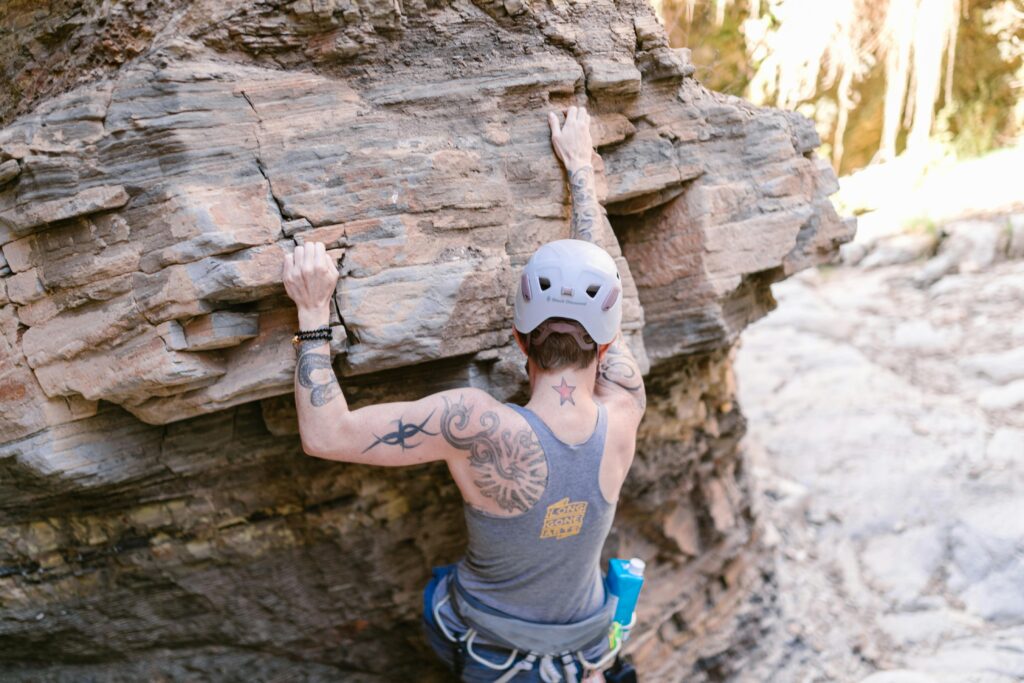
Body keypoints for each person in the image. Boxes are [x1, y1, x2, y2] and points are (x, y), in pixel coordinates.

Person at [282, 105, 646, 682]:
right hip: (588, 645)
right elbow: (605, 300)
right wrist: (581, 170)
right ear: (604, 350)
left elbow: (327, 435)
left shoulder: (479, 427)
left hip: (495, 655)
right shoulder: (624, 406)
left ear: (517, 341)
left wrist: (311, 310)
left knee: (440, 593)